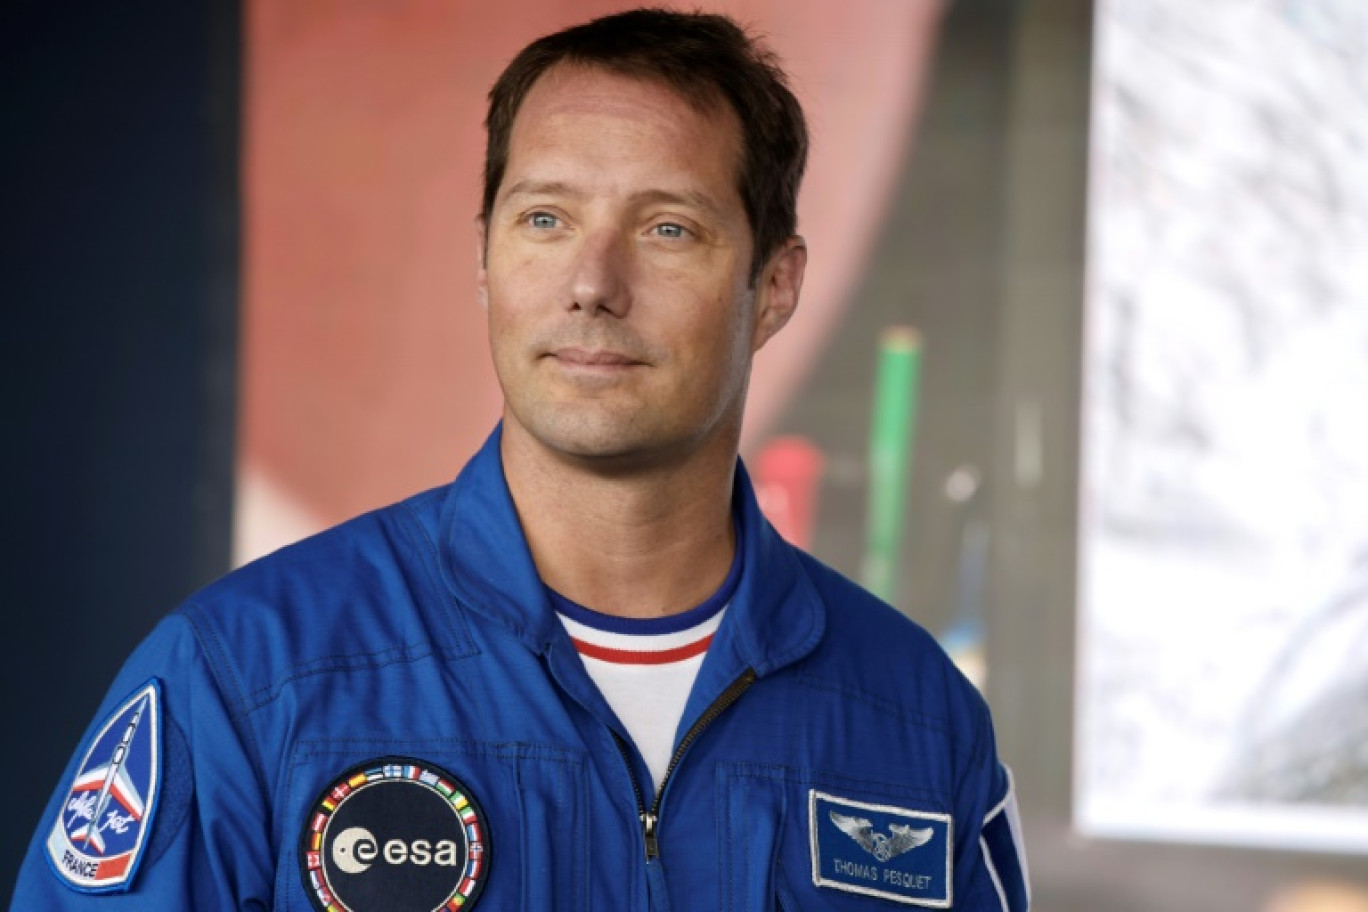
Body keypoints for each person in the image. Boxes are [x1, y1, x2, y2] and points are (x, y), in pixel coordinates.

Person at [12, 9, 1029, 911]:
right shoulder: (249, 675)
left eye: (668, 229)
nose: (592, 284)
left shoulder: (916, 718)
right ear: (485, 262)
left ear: (772, 286)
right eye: (544, 219)